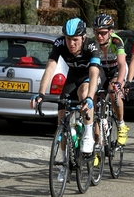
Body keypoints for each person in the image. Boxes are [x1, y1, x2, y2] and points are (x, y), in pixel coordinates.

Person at [30, 17, 106, 181]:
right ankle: (65, 163)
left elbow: (94, 73)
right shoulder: (59, 44)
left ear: (83, 38)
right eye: (68, 39)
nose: (71, 43)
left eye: (75, 40)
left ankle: (87, 134)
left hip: (91, 77)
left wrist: (90, 98)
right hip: (73, 77)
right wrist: (41, 93)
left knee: (84, 92)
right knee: (62, 119)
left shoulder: (91, 45)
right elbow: (50, 68)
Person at [92, 13, 129, 145]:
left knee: (113, 91)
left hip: (116, 70)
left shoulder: (116, 41)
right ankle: (97, 145)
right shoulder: (93, 43)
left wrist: (119, 83)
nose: (99, 36)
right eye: (96, 33)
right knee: (96, 105)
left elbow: (122, 65)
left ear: (110, 31)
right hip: (102, 70)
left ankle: (121, 125)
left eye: (102, 33)